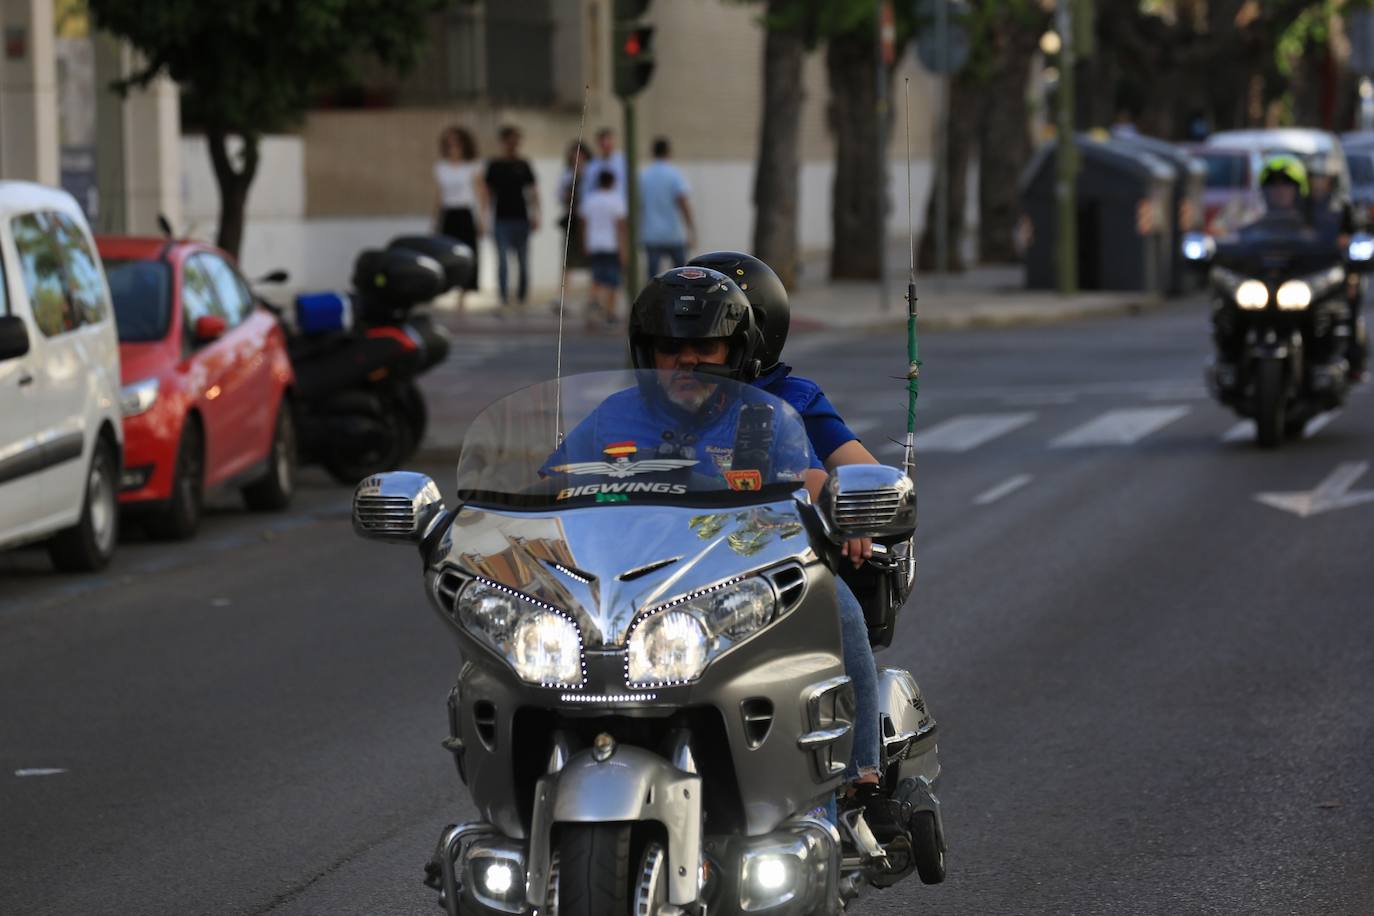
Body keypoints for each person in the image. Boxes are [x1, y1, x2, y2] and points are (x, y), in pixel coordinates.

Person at [687, 251, 899, 829]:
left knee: (840, 608)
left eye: (713, 339)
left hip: (778, 558)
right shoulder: (651, 405)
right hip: (670, 567)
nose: (691, 355)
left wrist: (846, 506)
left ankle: (862, 776)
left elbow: (855, 467)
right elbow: (561, 475)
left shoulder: (793, 396)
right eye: (679, 339)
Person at [545, 267, 815, 488]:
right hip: (628, 551)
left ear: (733, 354)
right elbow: (550, 484)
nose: (686, 360)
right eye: (670, 347)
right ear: (648, 355)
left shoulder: (769, 418)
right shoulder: (612, 414)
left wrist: (850, 526)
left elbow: (815, 491)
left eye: (705, 347)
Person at [484, 125, 540, 308]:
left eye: (517, 140)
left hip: (521, 219)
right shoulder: (494, 165)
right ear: (503, 142)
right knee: (502, 261)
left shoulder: (524, 165)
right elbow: (487, 193)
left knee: (523, 261)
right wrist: (484, 217)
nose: (514, 144)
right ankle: (503, 296)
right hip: (501, 219)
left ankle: (522, 297)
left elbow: (533, 192)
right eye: (511, 140)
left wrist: (536, 213)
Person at [433, 126, 485, 312]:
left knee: (468, 252)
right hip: (449, 213)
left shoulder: (473, 166)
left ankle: (465, 292)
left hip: (465, 213)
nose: (453, 146)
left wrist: (481, 218)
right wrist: (435, 221)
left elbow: (481, 194)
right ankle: (447, 288)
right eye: (449, 143)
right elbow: (439, 196)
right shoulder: (441, 167)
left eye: (456, 142)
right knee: (446, 253)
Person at [640, 137, 696, 276]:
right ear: (669, 152)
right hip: (673, 234)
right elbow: (683, 203)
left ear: (653, 152)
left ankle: (652, 298)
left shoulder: (644, 175)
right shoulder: (674, 174)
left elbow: (639, 205)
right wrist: (691, 230)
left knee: (652, 276)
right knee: (682, 275)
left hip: (651, 234)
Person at [579, 169, 628, 328]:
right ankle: (610, 313)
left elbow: (584, 223)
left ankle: (592, 308)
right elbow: (620, 226)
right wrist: (623, 249)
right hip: (611, 244)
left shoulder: (590, 199)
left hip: (595, 244)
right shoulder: (616, 200)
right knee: (613, 281)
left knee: (597, 279)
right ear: (612, 182)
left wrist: (585, 242)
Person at [556, 140, 593, 271]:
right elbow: (560, 195)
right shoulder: (567, 175)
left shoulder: (591, 173)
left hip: (589, 221)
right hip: (573, 222)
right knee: (568, 258)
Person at [589, 127, 627, 200]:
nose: (606, 144)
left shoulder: (623, 161)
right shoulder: (592, 165)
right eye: (603, 141)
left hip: (620, 205)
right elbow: (589, 188)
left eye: (609, 140)